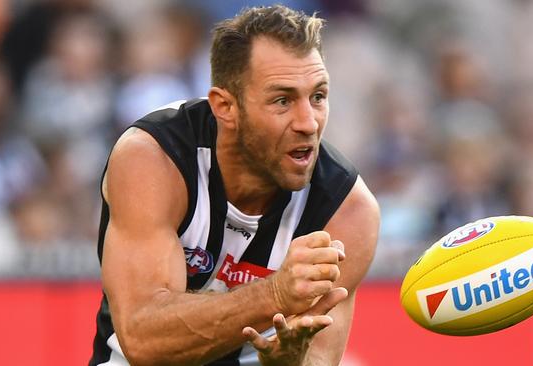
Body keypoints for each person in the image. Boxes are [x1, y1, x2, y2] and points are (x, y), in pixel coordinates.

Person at [89, 5, 379, 366]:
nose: (308, 122)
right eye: (282, 100)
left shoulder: (347, 209)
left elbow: (318, 358)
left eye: (318, 96)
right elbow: (144, 340)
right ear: (225, 106)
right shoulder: (155, 158)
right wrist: (274, 294)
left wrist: (289, 365)